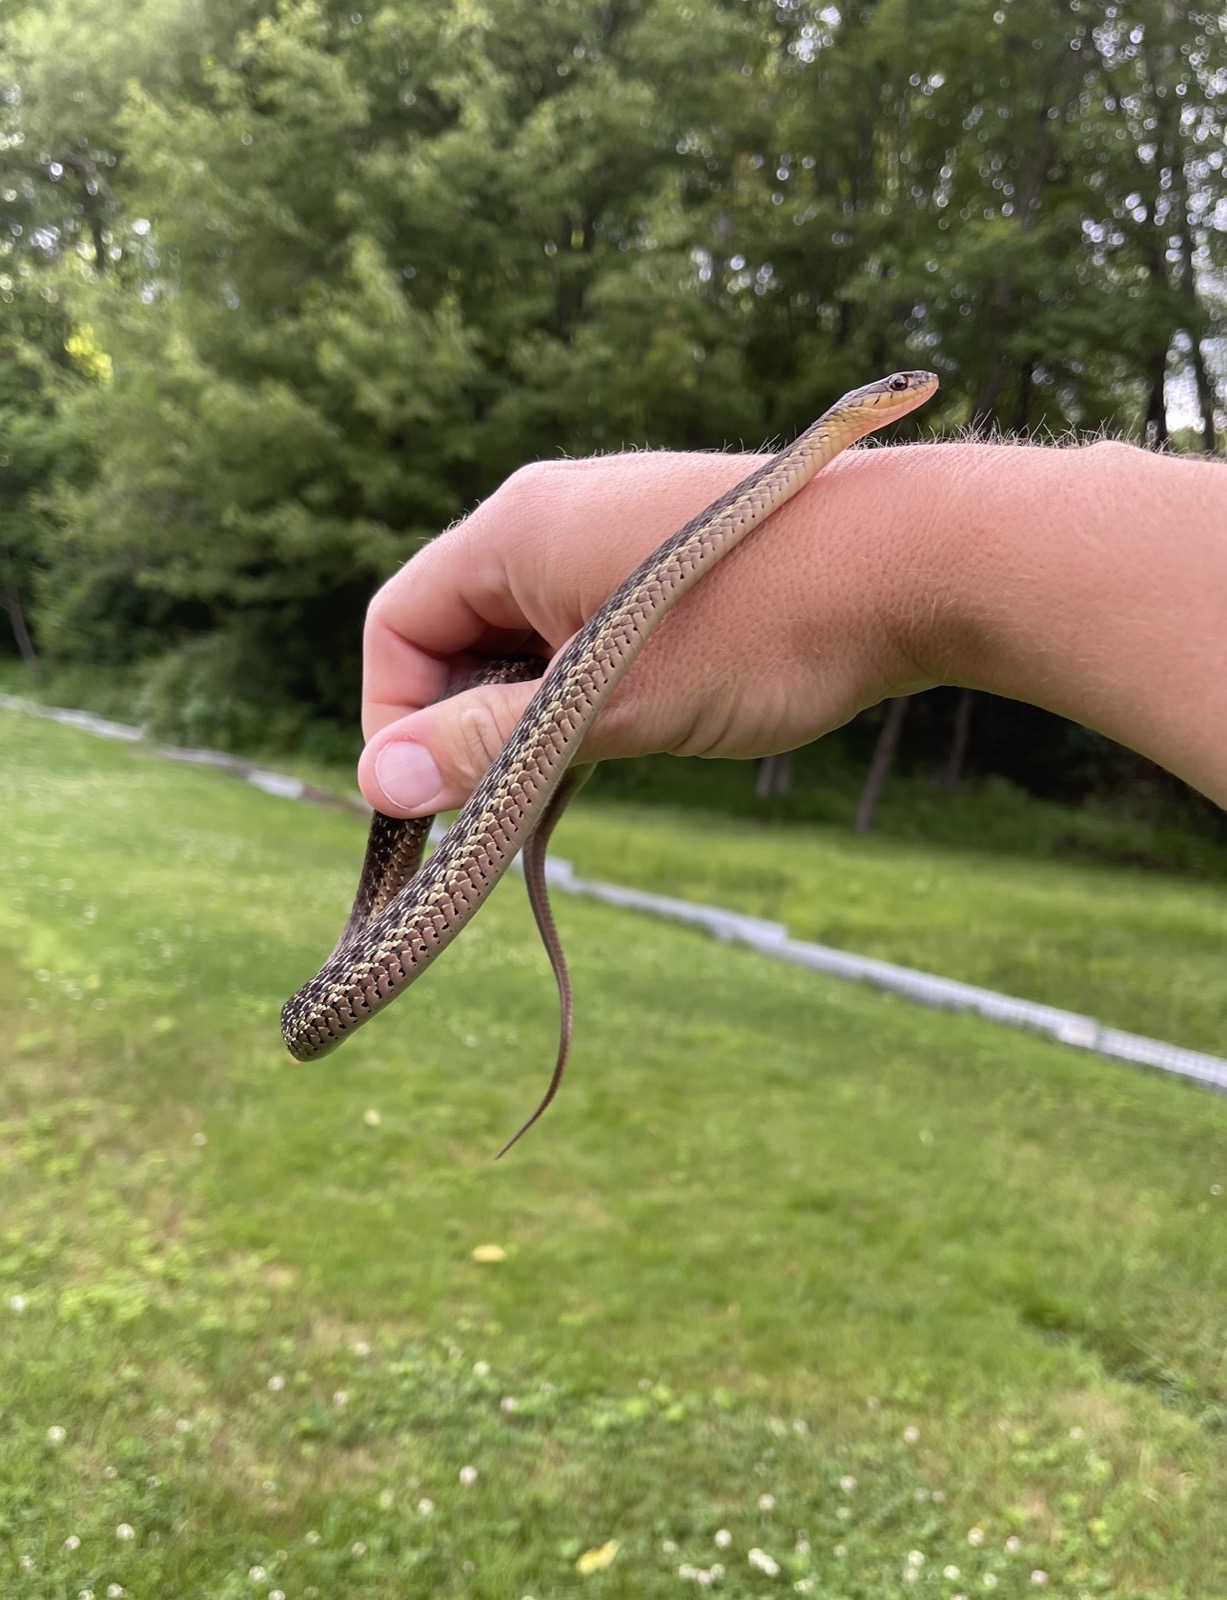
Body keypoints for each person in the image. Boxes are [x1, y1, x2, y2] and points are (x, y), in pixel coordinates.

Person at [355, 435, 1227, 818]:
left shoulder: (803, 469)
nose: (909, 393)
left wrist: (916, 552)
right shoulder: (795, 461)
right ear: (858, 404)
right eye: (891, 389)